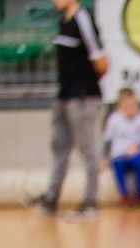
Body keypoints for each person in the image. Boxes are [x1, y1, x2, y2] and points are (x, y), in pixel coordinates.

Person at [27, 0, 108, 219]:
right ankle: (51, 198)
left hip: (82, 96)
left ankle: (91, 202)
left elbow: (101, 62)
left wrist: (85, 85)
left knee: (87, 149)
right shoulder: (62, 22)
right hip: (64, 96)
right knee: (60, 147)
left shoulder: (83, 19)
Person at [103, 87, 140, 207]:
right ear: (120, 105)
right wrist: (105, 158)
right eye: (127, 104)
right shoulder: (114, 119)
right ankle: (125, 197)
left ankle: (139, 196)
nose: (130, 107)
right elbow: (107, 141)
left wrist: (139, 148)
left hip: (137, 154)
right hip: (119, 155)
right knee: (116, 162)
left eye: (133, 103)